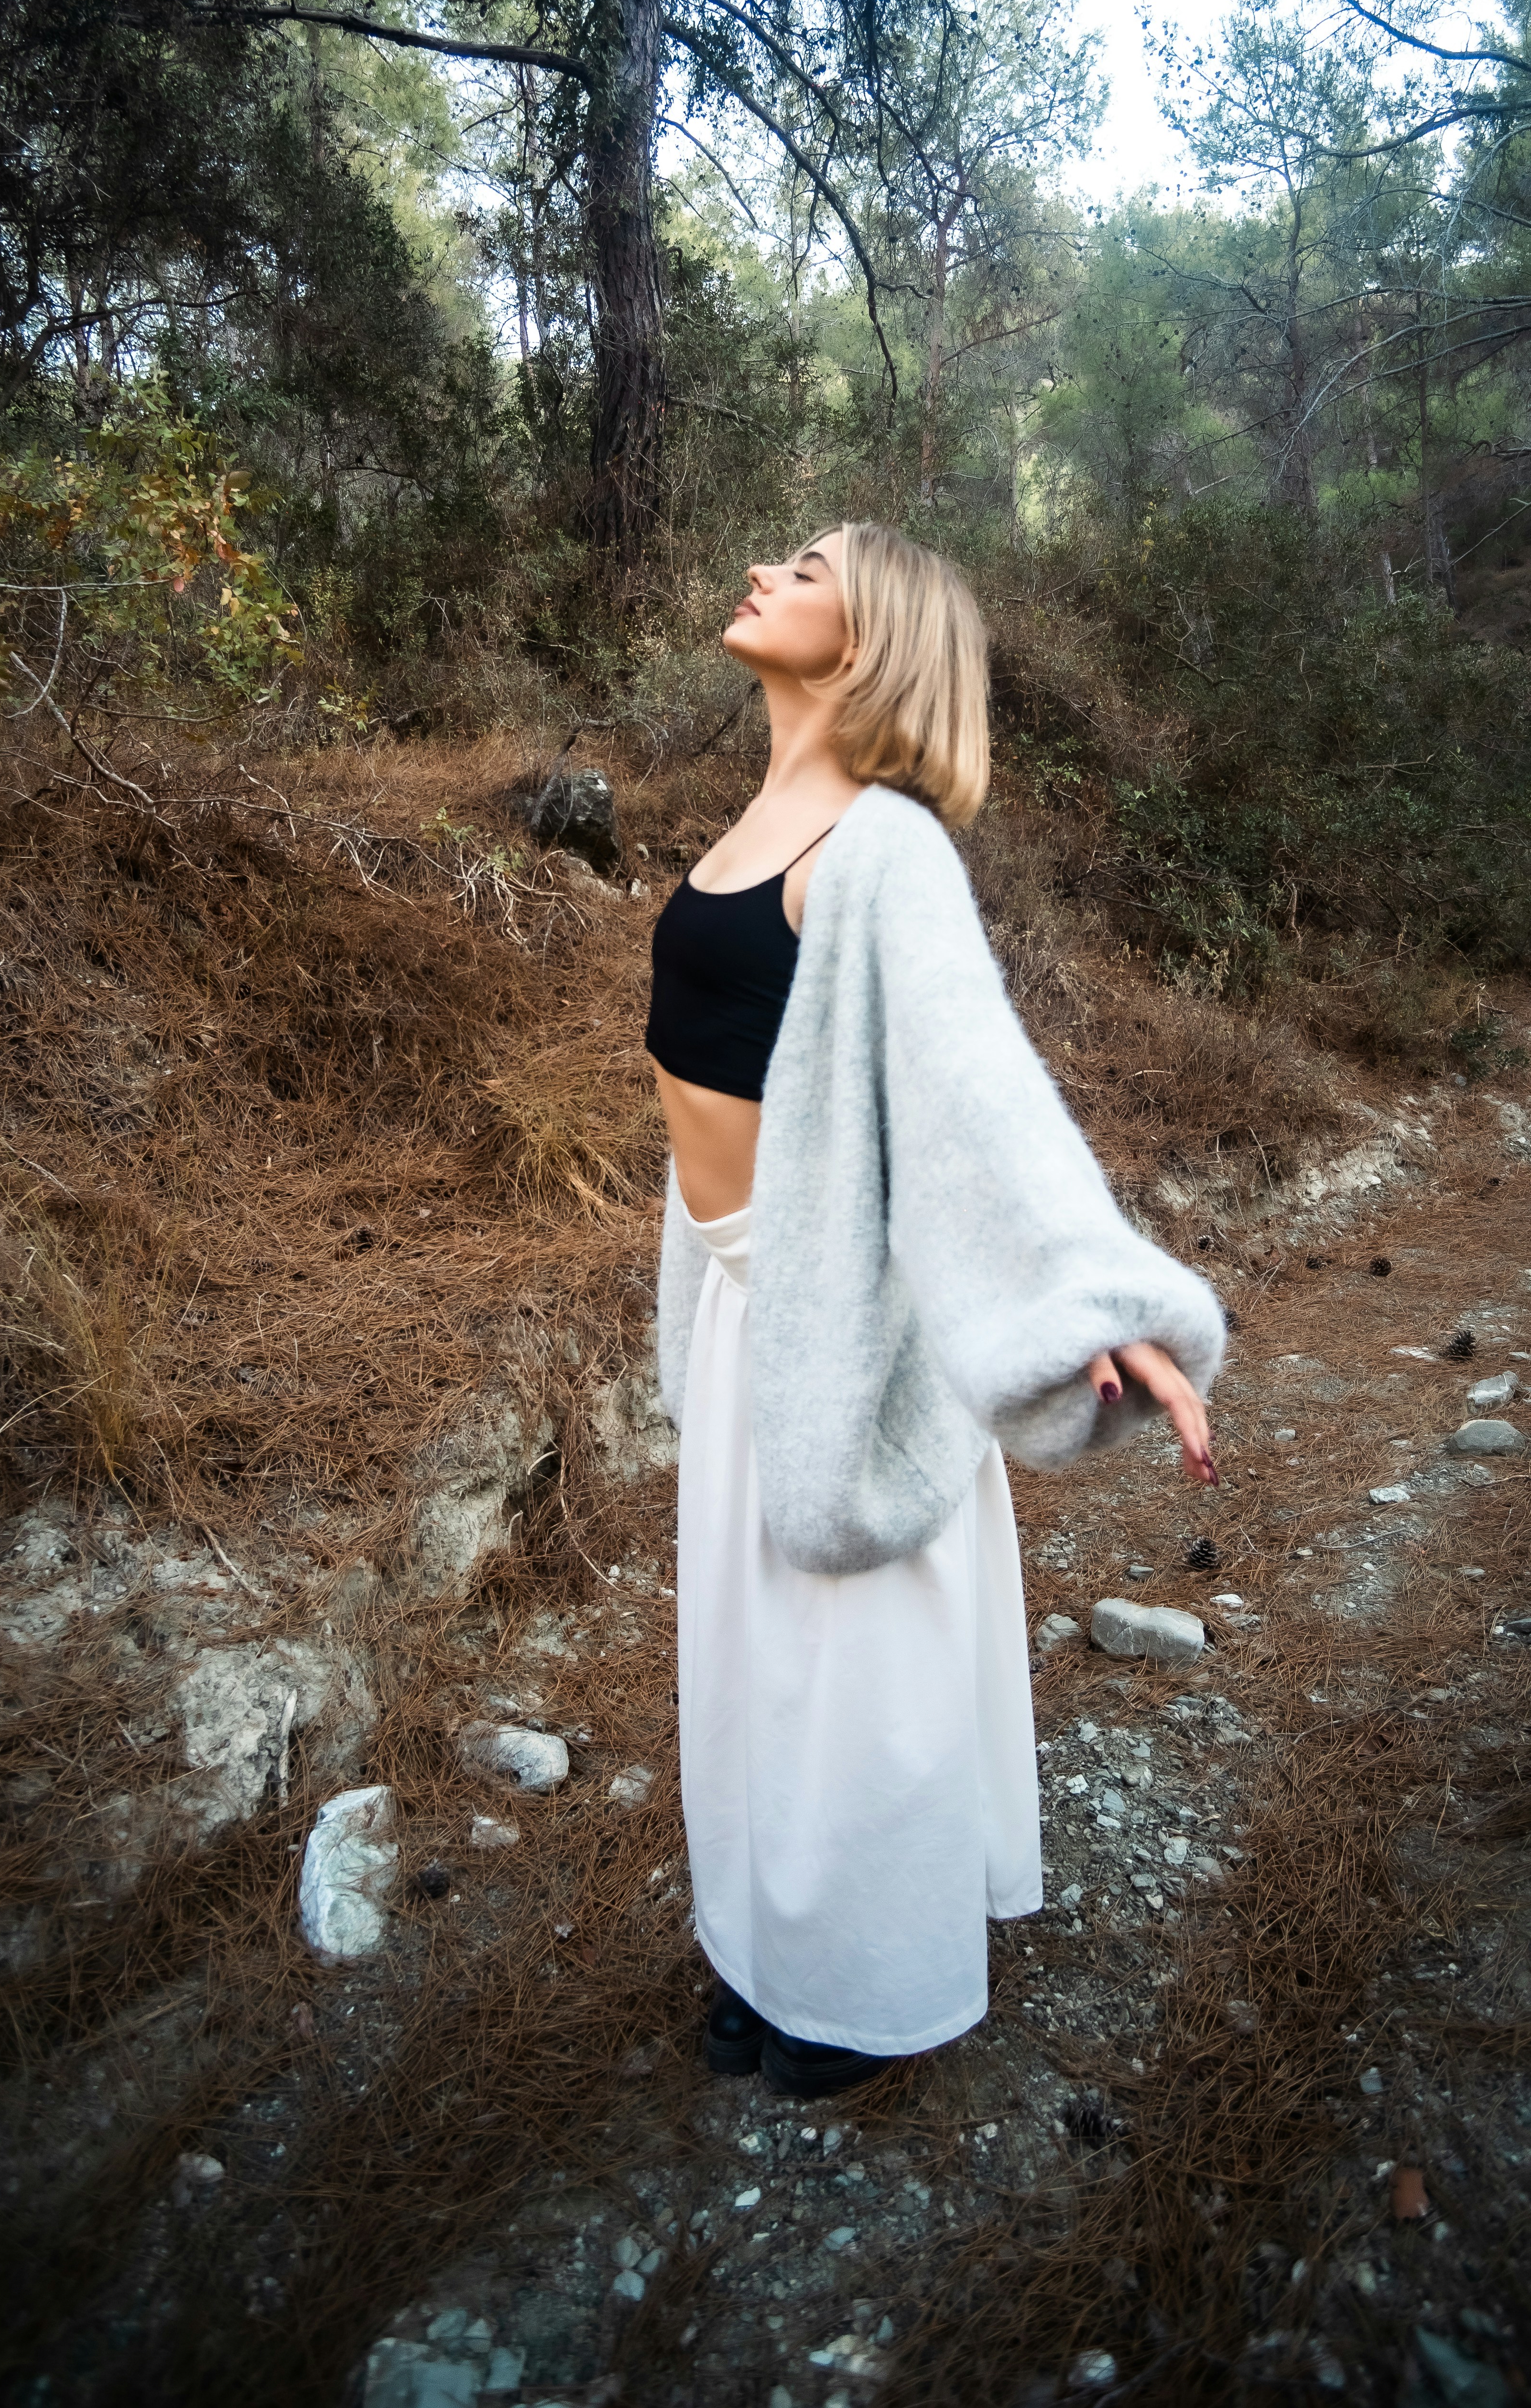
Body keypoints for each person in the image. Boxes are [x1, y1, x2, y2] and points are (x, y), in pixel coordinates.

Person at [645, 521, 1226, 2097]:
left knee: (858, 1672)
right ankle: (769, 1948)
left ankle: (863, 1982)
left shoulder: (887, 846)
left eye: (808, 566)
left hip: (846, 1313)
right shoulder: (759, 816)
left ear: (873, 636)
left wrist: (1089, 1299)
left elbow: (975, 1088)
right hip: (747, 1294)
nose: (767, 571)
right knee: (755, 1653)